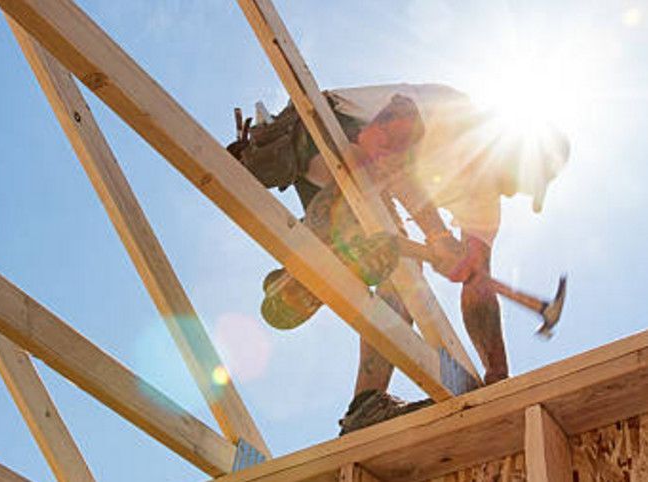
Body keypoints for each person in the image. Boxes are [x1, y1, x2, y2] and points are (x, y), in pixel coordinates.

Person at [227, 83, 569, 435]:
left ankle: (364, 404)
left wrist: (497, 377)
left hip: (347, 184)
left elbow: (478, 286)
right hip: (322, 132)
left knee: (400, 270)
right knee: (381, 197)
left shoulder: (485, 202)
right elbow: (379, 144)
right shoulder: (453, 112)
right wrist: (436, 234)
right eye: (520, 179)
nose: (512, 191)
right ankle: (315, 252)